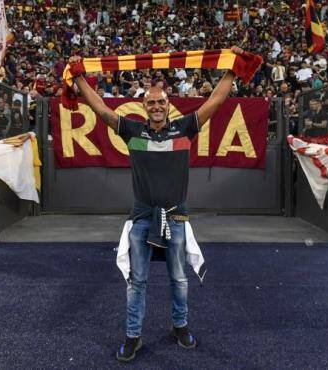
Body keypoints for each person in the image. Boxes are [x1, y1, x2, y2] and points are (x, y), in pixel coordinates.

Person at [68, 45, 244, 363]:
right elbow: (100, 109)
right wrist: (80, 78)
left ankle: (180, 326)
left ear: (168, 104)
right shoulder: (132, 131)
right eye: (150, 102)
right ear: (144, 106)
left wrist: (231, 68)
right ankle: (133, 337)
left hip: (176, 218)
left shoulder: (186, 128)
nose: (156, 106)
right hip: (142, 218)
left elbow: (216, 100)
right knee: (137, 281)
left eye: (161, 101)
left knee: (178, 277)